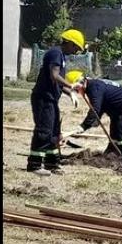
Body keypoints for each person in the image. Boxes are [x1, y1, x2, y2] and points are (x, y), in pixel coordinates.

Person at [27, 29, 86, 176]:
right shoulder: (55, 53)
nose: (76, 52)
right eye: (76, 48)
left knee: (54, 132)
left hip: (51, 99)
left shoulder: (61, 56)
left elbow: (57, 83)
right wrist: (71, 85)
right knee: (44, 130)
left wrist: (69, 93)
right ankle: (34, 164)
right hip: (43, 98)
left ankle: (51, 163)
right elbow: (54, 76)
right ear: (70, 43)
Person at [64, 71, 122, 159]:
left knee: (121, 128)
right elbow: (100, 108)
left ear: (80, 83)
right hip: (117, 107)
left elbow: (95, 110)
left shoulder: (94, 88)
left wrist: (84, 126)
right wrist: (93, 122)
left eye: (76, 89)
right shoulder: (92, 86)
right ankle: (112, 150)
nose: (77, 92)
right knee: (114, 128)